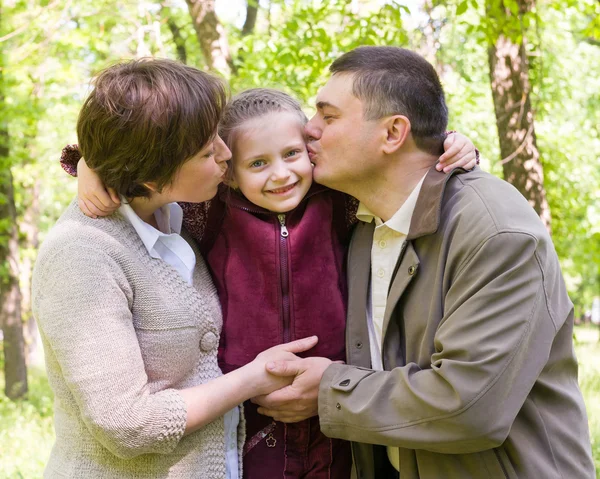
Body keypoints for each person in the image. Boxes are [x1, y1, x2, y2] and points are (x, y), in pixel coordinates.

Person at [60, 85, 478, 478]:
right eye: (258, 163)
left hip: (336, 409)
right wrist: (89, 165)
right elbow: (145, 163)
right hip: (252, 417)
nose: (280, 174)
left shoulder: (339, 201)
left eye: (292, 154)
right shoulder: (210, 213)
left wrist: (453, 144)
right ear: (228, 172)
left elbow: (398, 168)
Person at [253, 46, 596, 478]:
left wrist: (328, 391)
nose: (309, 129)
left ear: (394, 133)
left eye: (329, 116)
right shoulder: (359, 221)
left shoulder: (497, 233)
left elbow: (469, 406)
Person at [32, 59, 321, 479]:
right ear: (152, 174)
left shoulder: (183, 219)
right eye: (208, 151)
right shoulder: (81, 255)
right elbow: (127, 424)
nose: (226, 154)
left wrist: (444, 145)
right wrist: (254, 378)